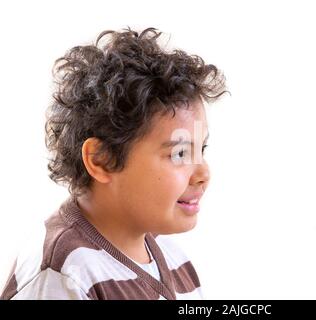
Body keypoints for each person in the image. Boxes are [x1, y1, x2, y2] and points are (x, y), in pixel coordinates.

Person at [0, 27, 227, 300]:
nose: (204, 173)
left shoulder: (173, 258)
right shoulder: (65, 274)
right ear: (102, 160)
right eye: (179, 154)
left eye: (201, 149)